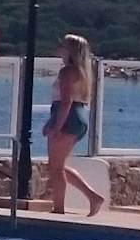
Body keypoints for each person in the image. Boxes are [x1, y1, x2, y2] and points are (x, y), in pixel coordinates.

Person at [44, 33, 107, 216]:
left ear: (70, 50)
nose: (59, 47)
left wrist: (56, 127)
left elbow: (65, 102)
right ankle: (92, 197)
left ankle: (59, 208)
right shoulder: (82, 72)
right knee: (57, 165)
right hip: (77, 116)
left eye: (63, 45)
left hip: (67, 117)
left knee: (56, 168)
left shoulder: (67, 72)